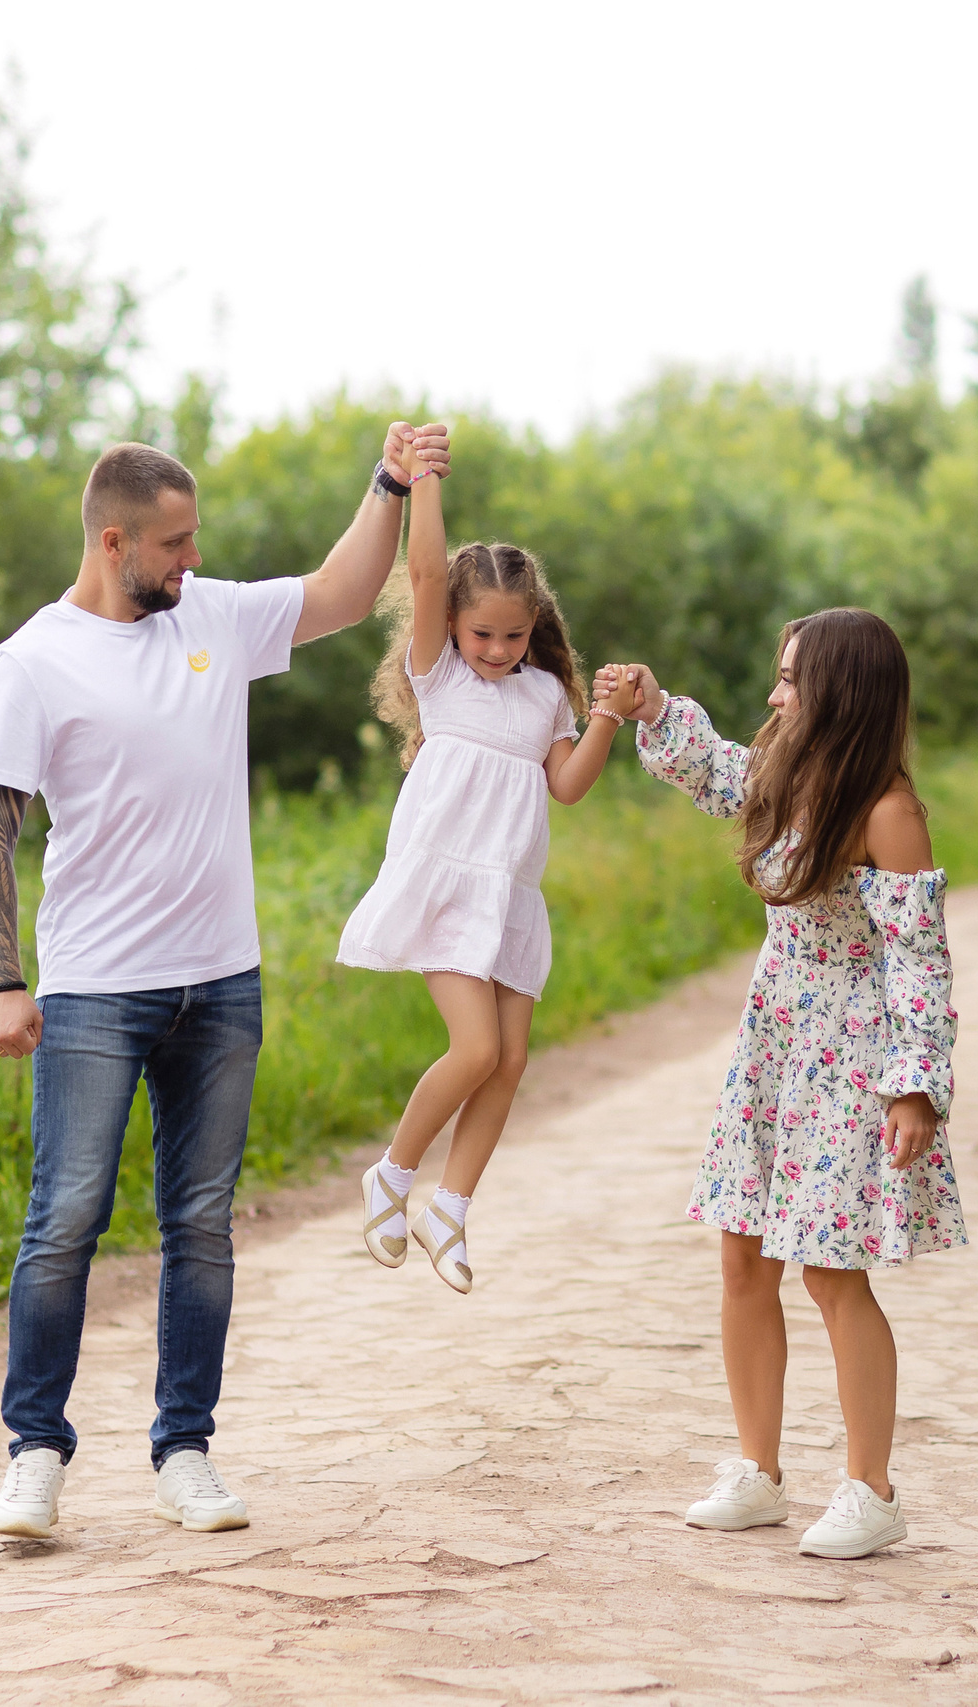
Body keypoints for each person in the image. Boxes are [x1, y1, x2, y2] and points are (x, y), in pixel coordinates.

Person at [0, 424, 448, 1541]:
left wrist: (386, 484)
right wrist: (1, 979)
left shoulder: (214, 619)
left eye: (196, 543)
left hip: (220, 982)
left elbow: (340, 590)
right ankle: (34, 1456)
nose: (191, 560)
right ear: (113, 537)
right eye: (174, 544)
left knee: (201, 1223)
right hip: (93, 987)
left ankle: (185, 1452)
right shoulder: (32, 660)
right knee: (65, 1218)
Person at [607, 611, 964, 1561]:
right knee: (741, 1257)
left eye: (791, 679)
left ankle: (871, 1489)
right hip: (774, 1045)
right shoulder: (788, 775)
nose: (774, 695)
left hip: (853, 1057)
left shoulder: (888, 811)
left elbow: (918, 962)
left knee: (831, 1270)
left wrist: (914, 1085)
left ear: (842, 692)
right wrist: (654, 708)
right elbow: (719, 770)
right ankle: (758, 1473)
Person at [338, 440, 641, 1290]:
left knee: (509, 1063)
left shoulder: (544, 694)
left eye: (515, 634)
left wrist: (609, 718)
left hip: (507, 894)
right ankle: (393, 1173)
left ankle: (451, 1208)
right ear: (454, 628)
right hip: (445, 883)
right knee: (473, 1049)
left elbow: (569, 787)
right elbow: (429, 575)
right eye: (485, 633)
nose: (500, 649)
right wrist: (424, 480)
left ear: (534, 627)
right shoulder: (440, 677)